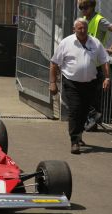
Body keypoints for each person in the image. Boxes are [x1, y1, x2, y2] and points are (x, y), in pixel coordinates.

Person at [49, 18, 110, 154]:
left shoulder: (95, 42)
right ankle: (74, 141)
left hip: (90, 83)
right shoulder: (66, 43)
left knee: (84, 111)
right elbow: (54, 63)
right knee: (75, 110)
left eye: (84, 28)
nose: (82, 31)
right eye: (79, 28)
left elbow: (104, 60)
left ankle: (79, 134)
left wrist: (107, 77)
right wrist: (53, 83)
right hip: (71, 83)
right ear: (74, 29)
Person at [78, 0, 112, 131]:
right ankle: (91, 122)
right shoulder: (82, 20)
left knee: (92, 94)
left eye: (85, 7)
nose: (83, 10)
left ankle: (92, 120)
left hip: (96, 64)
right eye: (80, 7)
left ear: (92, 6)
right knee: (86, 93)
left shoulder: (99, 20)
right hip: (84, 62)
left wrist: (110, 48)